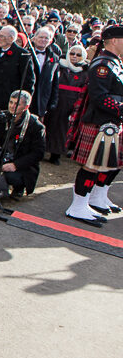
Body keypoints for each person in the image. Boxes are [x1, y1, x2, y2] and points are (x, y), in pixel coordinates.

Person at [64, 25, 123, 226]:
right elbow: (99, 97)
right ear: (114, 40)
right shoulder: (103, 64)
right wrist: (121, 109)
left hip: (108, 122)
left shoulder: (114, 62)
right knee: (91, 166)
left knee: (100, 166)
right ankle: (77, 206)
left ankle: (86, 202)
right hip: (100, 121)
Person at [0, 91, 46, 198]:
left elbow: (38, 153)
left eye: (17, 104)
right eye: (11, 102)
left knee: (10, 176)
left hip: (21, 164)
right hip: (2, 155)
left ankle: (19, 188)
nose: (12, 106)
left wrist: (16, 165)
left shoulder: (36, 126)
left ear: (26, 107)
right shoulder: (4, 116)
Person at [45, 44, 87, 164]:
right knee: (50, 124)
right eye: (72, 53)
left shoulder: (85, 71)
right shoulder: (60, 66)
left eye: (78, 55)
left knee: (63, 129)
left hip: (72, 104)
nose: (74, 56)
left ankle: (56, 154)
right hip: (56, 99)